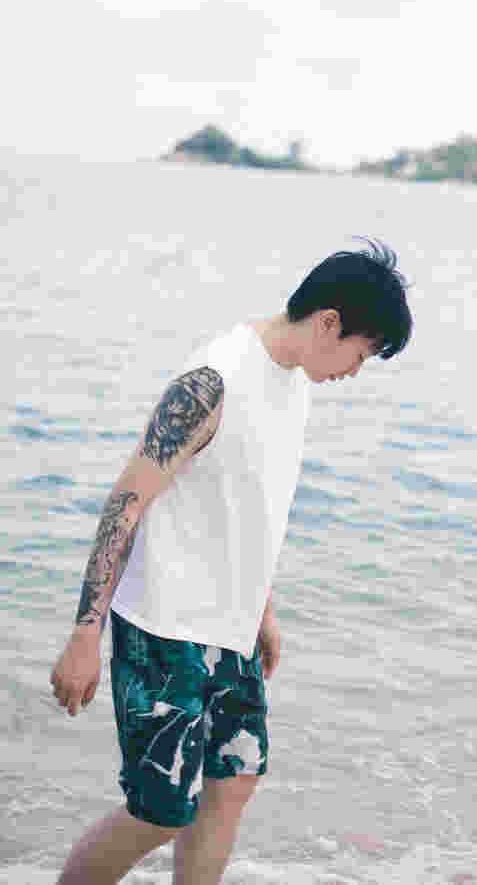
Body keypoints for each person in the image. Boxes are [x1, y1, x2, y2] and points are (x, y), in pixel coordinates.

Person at [50, 237, 413, 885]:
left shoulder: (294, 386)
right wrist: (85, 635)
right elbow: (125, 505)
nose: (356, 371)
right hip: (165, 628)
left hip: (231, 630)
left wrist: (261, 610)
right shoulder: (212, 382)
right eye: (361, 354)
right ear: (329, 323)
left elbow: (246, 507)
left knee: (234, 782)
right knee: (160, 811)